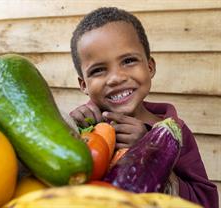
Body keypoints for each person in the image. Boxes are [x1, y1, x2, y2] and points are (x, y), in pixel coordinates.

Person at [68, 7, 218, 208]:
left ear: (150, 67)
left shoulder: (175, 134)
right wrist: (68, 128)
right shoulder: (80, 127)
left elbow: (205, 202)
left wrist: (153, 152)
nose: (116, 78)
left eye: (128, 61)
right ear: (84, 84)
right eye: (98, 70)